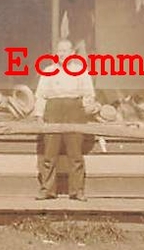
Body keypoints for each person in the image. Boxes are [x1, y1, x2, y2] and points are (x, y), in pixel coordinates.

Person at [32, 39, 96, 201]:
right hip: (53, 111)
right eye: (59, 51)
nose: (62, 54)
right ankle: (47, 189)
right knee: (49, 153)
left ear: (72, 53)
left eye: (65, 51)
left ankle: (77, 191)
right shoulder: (48, 70)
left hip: (74, 111)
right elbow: (40, 96)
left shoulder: (81, 71)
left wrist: (84, 112)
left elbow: (88, 95)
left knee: (75, 153)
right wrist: (39, 116)